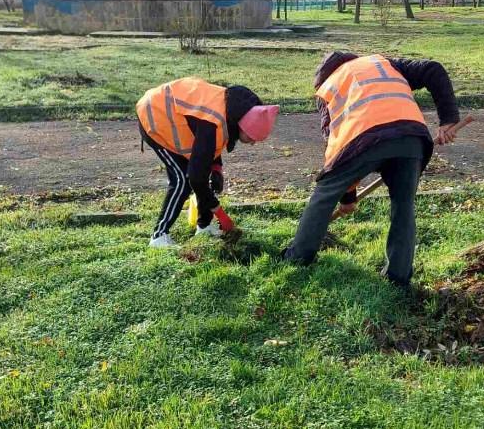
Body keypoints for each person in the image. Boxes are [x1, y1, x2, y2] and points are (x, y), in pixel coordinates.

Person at [283, 51, 461, 286]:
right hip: (411, 138)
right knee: (403, 204)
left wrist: (345, 196)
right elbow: (433, 68)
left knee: (325, 194)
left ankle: (297, 258)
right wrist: (448, 119)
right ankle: (398, 278)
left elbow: (335, 143)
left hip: (363, 139)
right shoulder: (383, 64)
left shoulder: (329, 87)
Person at [136, 78, 279, 248]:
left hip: (179, 118)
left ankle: (204, 226)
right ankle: (159, 237)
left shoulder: (232, 111)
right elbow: (196, 177)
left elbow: (210, 148)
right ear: (244, 127)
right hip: (155, 116)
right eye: (252, 138)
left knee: (205, 175)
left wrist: (217, 169)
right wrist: (218, 210)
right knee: (182, 180)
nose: (253, 143)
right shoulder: (213, 123)